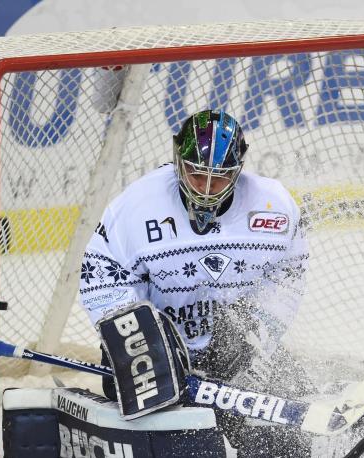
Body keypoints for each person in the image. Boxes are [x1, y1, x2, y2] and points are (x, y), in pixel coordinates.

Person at [79, 109, 311, 456]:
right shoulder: (137, 206)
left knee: (282, 436)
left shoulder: (273, 205)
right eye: (196, 174)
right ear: (178, 160)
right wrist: (142, 345)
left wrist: (261, 332)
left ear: (238, 170)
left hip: (230, 348)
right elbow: (99, 274)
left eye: (218, 178)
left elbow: (289, 272)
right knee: (189, 448)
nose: (205, 188)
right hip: (153, 353)